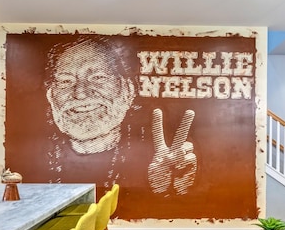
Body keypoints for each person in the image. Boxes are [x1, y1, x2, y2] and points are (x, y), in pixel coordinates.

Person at [43, 35, 197, 196]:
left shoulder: (153, 155)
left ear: (127, 90)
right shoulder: (31, 164)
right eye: (65, 81)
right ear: (51, 95)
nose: (80, 93)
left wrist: (167, 192)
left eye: (97, 78)